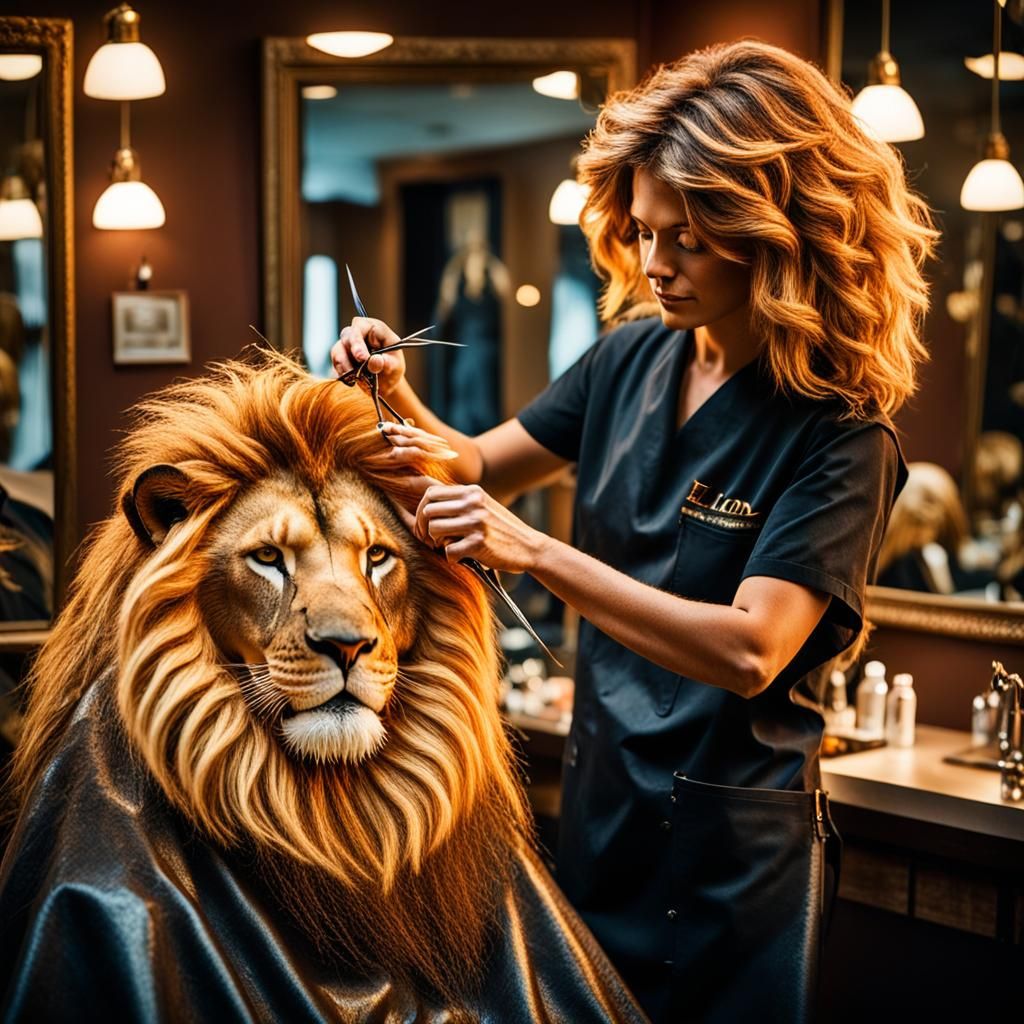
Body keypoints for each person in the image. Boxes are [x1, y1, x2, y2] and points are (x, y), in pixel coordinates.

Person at [332, 40, 934, 1023]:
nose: (655, 265)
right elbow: (473, 465)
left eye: (688, 240)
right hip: (601, 808)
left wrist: (530, 549)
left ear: (778, 235)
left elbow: (749, 648)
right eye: (645, 231)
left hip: (728, 857)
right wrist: (392, 389)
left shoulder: (840, 434)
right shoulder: (628, 358)